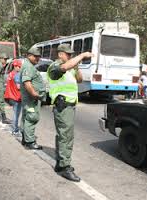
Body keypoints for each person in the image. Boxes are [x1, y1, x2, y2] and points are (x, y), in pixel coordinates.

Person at [47, 43, 94, 182]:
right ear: (60, 54)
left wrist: (76, 67)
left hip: (70, 106)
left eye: (71, 54)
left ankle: (60, 163)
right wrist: (82, 56)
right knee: (66, 137)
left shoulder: (70, 67)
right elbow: (63, 68)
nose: (70, 56)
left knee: (63, 135)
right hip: (63, 106)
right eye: (68, 54)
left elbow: (79, 80)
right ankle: (64, 167)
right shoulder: (54, 67)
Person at [20, 47, 46, 150]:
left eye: (39, 57)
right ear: (29, 55)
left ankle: (25, 138)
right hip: (31, 99)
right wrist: (35, 95)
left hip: (29, 99)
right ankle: (30, 142)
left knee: (26, 118)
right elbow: (27, 82)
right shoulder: (28, 67)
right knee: (31, 118)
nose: (37, 59)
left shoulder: (28, 65)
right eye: (35, 56)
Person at [4, 59, 22, 136]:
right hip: (17, 97)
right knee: (16, 114)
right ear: (16, 66)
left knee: (15, 113)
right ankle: (15, 130)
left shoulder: (11, 74)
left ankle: (15, 128)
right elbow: (18, 87)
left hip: (11, 96)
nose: (20, 68)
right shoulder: (17, 74)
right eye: (20, 66)